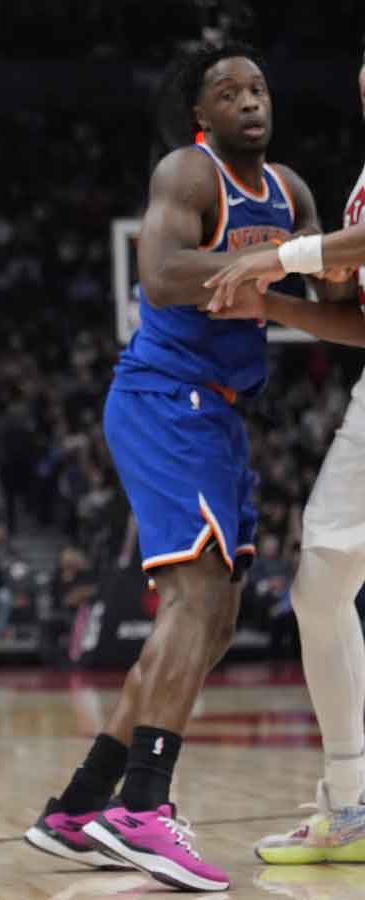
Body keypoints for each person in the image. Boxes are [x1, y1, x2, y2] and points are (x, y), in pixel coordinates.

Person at [21, 44, 327, 892]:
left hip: (220, 411)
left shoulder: (292, 192)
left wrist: (303, 267)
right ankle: (144, 807)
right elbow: (160, 274)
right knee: (193, 600)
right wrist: (266, 268)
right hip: (166, 395)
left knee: (217, 619)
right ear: (204, 115)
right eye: (228, 92)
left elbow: (319, 293)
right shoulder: (190, 177)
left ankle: (80, 805)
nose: (249, 100)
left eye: (258, 86)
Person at [199, 51, 365, 867]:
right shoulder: (360, 186)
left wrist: (280, 257)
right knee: (321, 580)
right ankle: (352, 801)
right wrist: (276, 303)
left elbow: (345, 247)